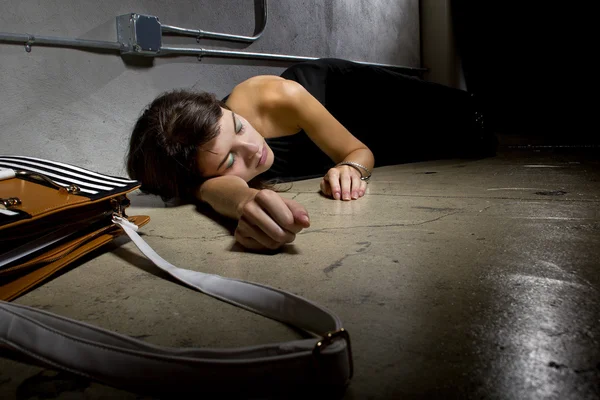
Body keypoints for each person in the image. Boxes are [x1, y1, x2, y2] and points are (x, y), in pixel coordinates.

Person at [126, 58, 496, 251]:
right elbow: (204, 190)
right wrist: (240, 201)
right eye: (228, 162)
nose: (252, 148)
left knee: (468, 122)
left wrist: (351, 165)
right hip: (354, 139)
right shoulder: (194, 170)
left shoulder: (274, 97)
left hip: (353, 98)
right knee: (427, 149)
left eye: (238, 127)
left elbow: (357, 149)